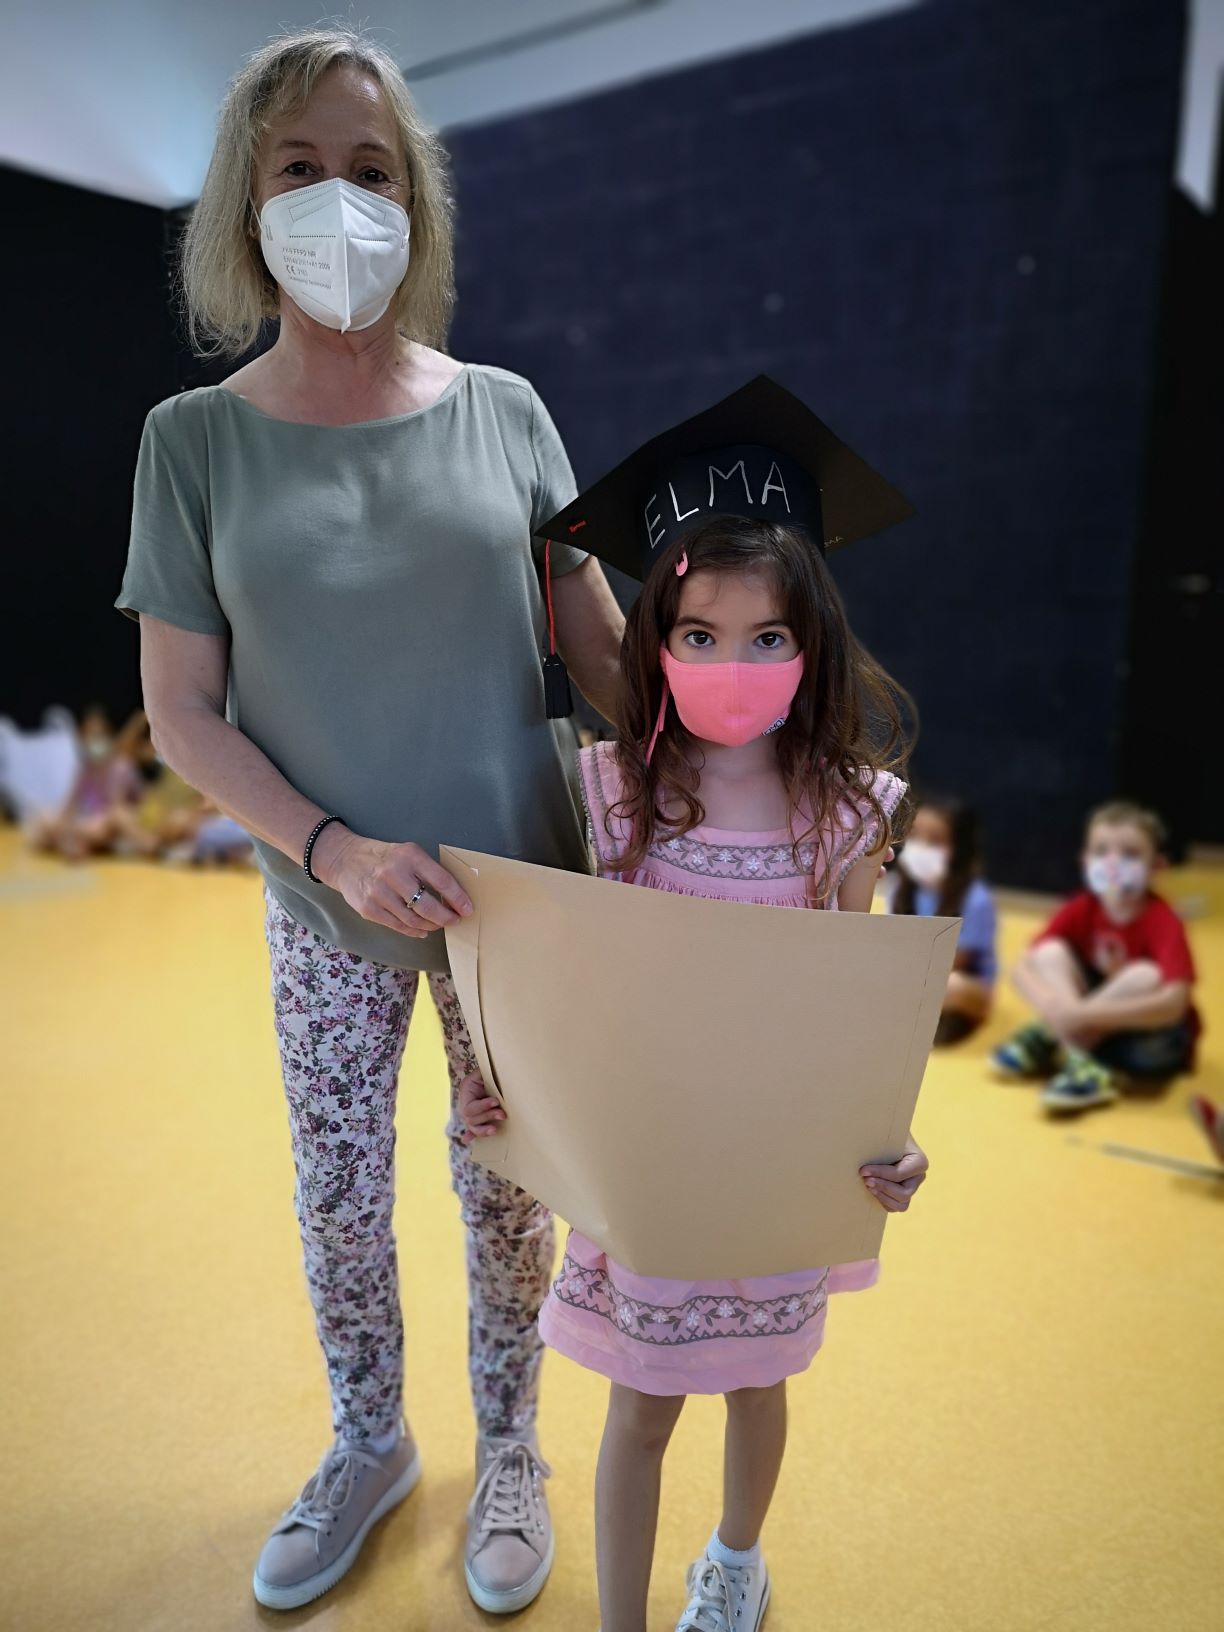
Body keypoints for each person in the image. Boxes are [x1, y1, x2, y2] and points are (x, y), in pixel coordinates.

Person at [114, 26, 624, 1616]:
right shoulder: (192, 442)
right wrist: (332, 849)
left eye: (373, 169)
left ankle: (512, 1447)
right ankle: (368, 1440)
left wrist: (753, 688)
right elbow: (183, 713)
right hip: (326, 899)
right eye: (301, 167)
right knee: (338, 1196)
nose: (341, 198)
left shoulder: (508, 412)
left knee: (508, 1192)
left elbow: (604, 653)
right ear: (244, 198)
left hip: (515, 901)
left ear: (418, 202)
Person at [459, 377, 931, 1632]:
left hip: (774, 1170)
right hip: (654, 1169)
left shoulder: (847, 814)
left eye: (769, 637)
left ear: (814, 640)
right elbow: (565, 982)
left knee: (759, 1386)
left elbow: (860, 1008)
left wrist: (893, 1139)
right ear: (655, 640)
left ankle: (734, 1561)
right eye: (701, 635)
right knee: (642, 1406)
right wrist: (503, 1088)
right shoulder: (615, 795)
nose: (734, 664)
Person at [994, 801, 1198, 1112]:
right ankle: (1079, 1054)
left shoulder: (1164, 920)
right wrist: (1054, 1009)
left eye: (1130, 854)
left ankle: (1058, 1039)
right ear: (1085, 860)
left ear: (1157, 866)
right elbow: (1022, 967)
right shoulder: (1082, 906)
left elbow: (1174, 1004)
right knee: (1049, 952)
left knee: (1146, 975)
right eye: (1101, 851)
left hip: (1145, 1035)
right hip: (1091, 1021)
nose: (1113, 862)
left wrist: (1078, 1016)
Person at [891, 795, 997, 1043]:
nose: (922, 846)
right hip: (912, 975)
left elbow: (955, 963)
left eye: (936, 841)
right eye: (915, 835)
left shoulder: (976, 899)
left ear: (959, 850)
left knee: (951, 985)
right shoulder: (901, 887)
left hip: (959, 984)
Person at [29, 706, 151, 860]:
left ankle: (73, 841)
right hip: (88, 821)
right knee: (44, 817)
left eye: (99, 735)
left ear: (108, 736)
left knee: (109, 821)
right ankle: (73, 841)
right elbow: (69, 806)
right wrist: (60, 822)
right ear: (82, 738)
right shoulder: (85, 768)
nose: (95, 741)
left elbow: (116, 808)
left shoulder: (120, 766)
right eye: (90, 735)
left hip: (110, 822)